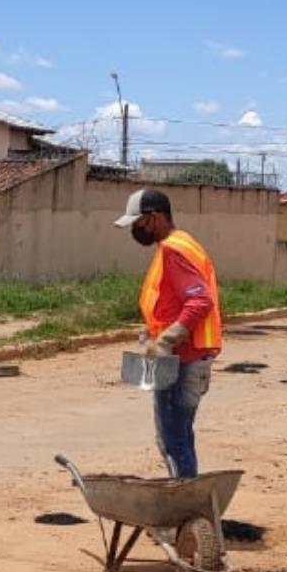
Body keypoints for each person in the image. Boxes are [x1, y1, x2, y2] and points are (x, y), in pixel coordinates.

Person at [114, 187, 221, 479]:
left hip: (179, 360)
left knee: (172, 441)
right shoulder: (183, 243)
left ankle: (184, 510)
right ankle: (189, 508)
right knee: (181, 436)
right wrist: (152, 328)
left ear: (155, 218)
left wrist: (166, 339)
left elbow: (200, 300)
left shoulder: (174, 250)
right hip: (189, 355)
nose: (135, 230)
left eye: (138, 223)